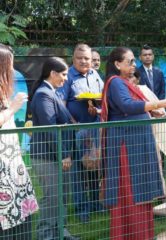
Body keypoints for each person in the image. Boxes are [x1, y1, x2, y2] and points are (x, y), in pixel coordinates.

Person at [100, 47, 166, 239]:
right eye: (129, 61)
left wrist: (151, 111)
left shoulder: (124, 82)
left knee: (140, 190)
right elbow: (127, 106)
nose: (134, 65)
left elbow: (134, 107)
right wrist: (161, 104)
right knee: (130, 192)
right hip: (126, 147)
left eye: (133, 61)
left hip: (135, 144)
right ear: (117, 64)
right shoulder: (115, 83)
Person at [29, 57, 79, 240]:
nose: (66, 78)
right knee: (52, 198)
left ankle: (61, 232)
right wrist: (64, 154)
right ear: (53, 73)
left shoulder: (51, 92)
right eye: (64, 74)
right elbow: (51, 129)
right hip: (47, 156)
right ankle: (46, 235)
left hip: (56, 156)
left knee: (62, 195)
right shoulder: (44, 94)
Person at [58, 43, 104, 223]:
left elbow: (102, 98)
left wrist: (98, 110)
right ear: (73, 59)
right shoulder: (67, 75)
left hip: (95, 130)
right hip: (74, 131)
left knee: (93, 167)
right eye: (80, 58)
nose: (84, 61)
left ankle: (95, 203)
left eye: (87, 58)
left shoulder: (95, 74)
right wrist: (73, 122)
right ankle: (81, 208)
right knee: (77, 172)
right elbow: (61, 103)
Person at [0, 44, 38, 240]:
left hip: (11, 161)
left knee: (21, 213)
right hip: (2, 168)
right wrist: (13, 108)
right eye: (10, 64)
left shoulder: (4, 88)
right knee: (7, 214)